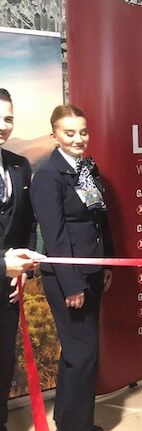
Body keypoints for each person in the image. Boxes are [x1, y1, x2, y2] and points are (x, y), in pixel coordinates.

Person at [31, 104, 114, 431]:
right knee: (84, 354)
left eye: (83, 132)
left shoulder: (87, 168)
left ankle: (68, 421)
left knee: (77, 352)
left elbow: (99, 218)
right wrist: (72, 285)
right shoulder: (48, 176)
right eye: (70, 133)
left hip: (92, 269)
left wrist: (107, 262)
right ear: (55, 136)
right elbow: (54, 236)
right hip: (69, 278)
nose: (79, 138)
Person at [0, 88, 37, 431]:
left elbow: (26, 224)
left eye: (8, 118)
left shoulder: (19, 166)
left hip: (8, 293)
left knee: (3, 366)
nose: (3, 125)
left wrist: (23, 269)